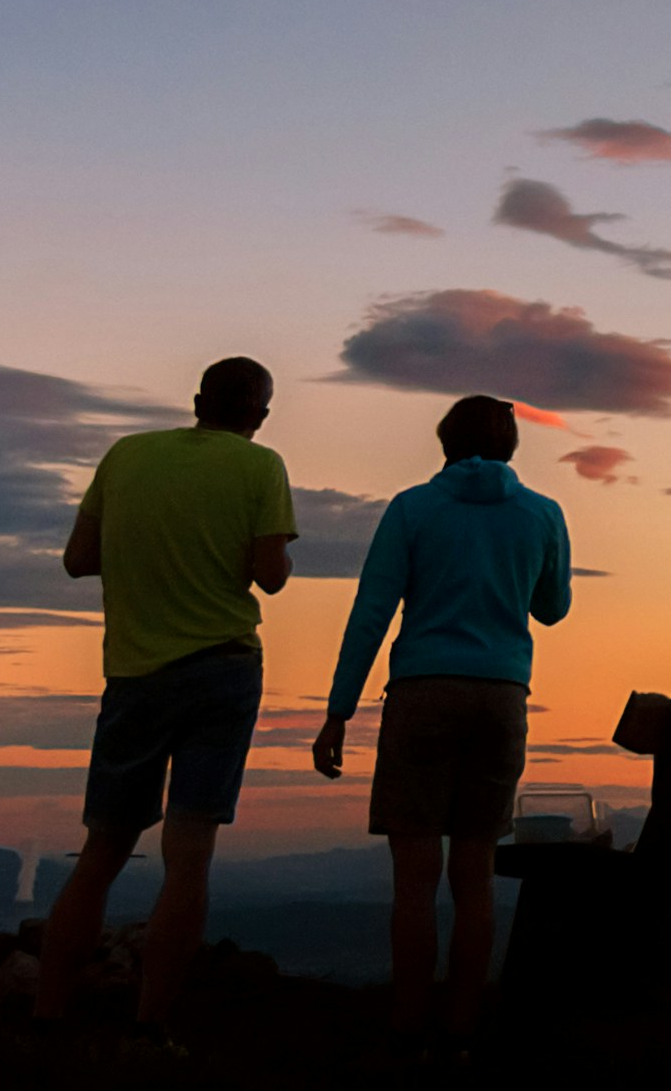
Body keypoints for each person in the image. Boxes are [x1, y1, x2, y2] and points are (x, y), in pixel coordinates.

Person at [42, 355, 299, 1029]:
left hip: (133, 673)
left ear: (196, 400)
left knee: (101, 850)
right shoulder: (260, 466)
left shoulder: (125, 455)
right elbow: (270, 576)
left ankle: (46, 1013)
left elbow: (77, 558)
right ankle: (151, 1023)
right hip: (222, 668)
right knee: (188, 854)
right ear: (259, 416)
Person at [314, 391, 571, 1041]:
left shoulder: (412, 509)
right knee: (476, 873)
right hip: (501, 695)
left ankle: (407, 1032)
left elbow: (372, 612)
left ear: (445, 443)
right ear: (512, 447)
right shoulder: (543, 514)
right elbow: (552, 607)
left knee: (414, 879)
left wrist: (338, 710)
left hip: (422, 692)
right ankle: (460, 1035)